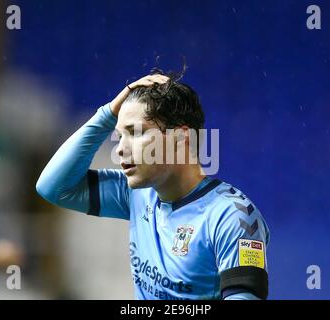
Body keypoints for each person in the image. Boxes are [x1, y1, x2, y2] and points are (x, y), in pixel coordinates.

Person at [36, 70, 270, 300]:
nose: (119, 149)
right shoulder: (137, 195)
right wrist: (107, 114)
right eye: (119, 135)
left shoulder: (233, 216)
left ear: (180, 137)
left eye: (135, 133)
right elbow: (54, 188)